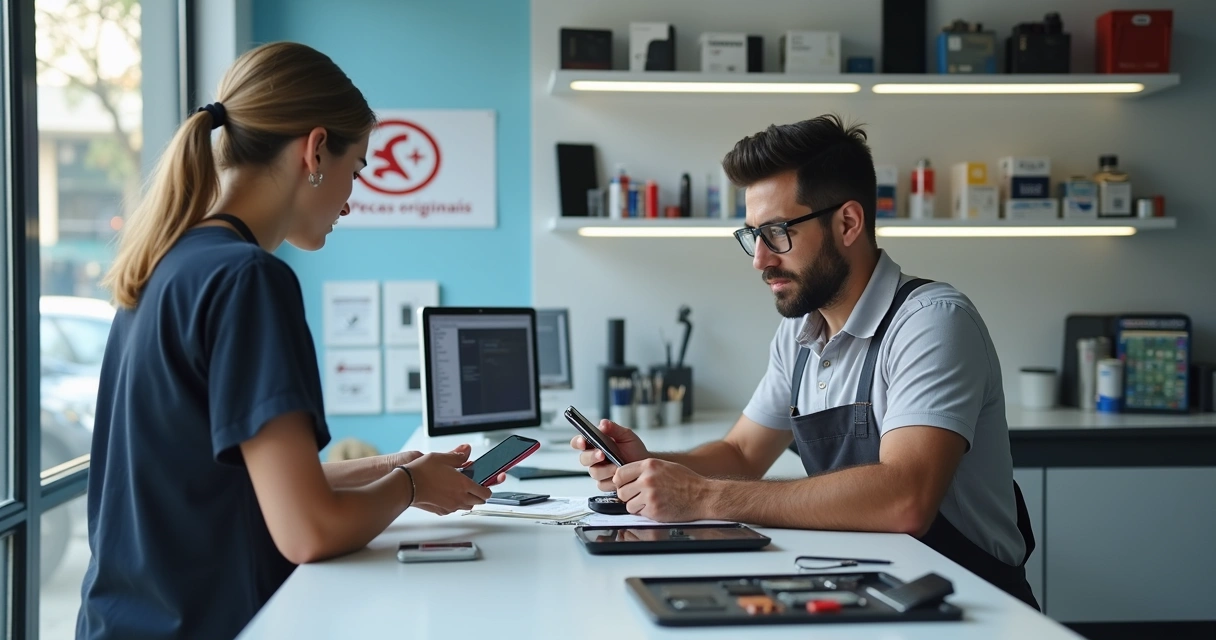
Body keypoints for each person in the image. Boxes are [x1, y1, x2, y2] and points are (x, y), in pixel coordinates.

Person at [78, 42, 498, 640]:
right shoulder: (248, 279)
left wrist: (395, 467)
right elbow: (308, 532)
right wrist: (410, 488)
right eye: (357, 170)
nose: (351, 199)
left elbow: (223, 485)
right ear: (315, 150)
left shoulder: (165, 264)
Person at [572, 114, 1038, 608]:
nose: (760, 259)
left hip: (968, 604)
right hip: (868, 589)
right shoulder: (799, 334)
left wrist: (703, 497)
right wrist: (649, 468)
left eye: (777, 232)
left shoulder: (931, 322)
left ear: (848, 223)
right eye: (753, 234)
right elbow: (742, 454)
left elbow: (906, 499)